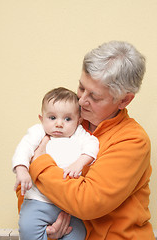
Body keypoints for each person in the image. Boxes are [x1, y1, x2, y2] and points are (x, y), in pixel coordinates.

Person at [16, 41, 155, 240]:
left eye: (95, 97)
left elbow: (87, 202)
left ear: (124, 100)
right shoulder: (68, 122)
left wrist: (39, 162)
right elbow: (28, 186)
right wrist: (45, 228)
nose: (81, 101)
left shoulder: (133, 141)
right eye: (81, 87)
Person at [13, 87, 99, 240]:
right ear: (42, 118)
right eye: (52, 118)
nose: (59, 124)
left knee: (79, 233)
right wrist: (21, 169)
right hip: (37, 201)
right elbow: (23, 148)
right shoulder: (39, 132)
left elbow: (93, 144)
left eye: (67, 119)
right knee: (27, 228)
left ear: (79, 121)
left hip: (69, 205)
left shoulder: (79, 134)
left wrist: (80, 162)